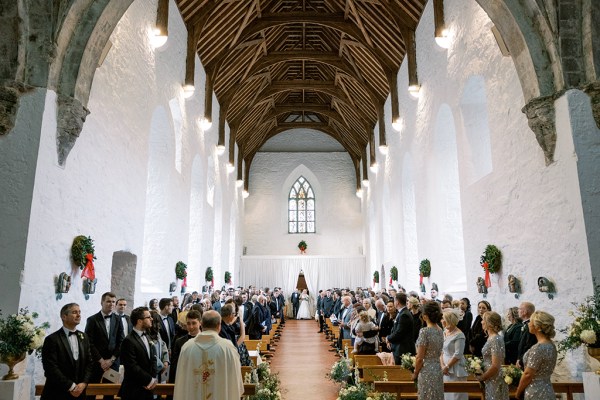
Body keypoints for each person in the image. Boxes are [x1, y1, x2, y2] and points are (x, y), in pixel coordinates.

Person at [173, 310, 244, 400]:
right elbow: (236, 383)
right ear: (219, 326)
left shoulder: (187, 347)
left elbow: (180, 381)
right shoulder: (228, 348)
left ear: (201, 325)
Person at [41, 303, 93, 399]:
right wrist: (71, 386)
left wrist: (84, 383)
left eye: (79, 312)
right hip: (58, 392)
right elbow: (50, 368)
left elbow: (89, 363)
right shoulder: (52, 339)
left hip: (80, 392)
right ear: (64, 316)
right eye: (74, 312)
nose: (78, 315)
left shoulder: (84, 337)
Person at [85, 292, 124, 400]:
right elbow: (89, 343)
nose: (111, 304)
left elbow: (121, 341)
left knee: (109, 392)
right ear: (101, 302)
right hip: (96, 362)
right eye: (108, 301)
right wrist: (101, 361)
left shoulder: (118, 319)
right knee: (91, 391)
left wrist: (111, 360)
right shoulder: (92, 320)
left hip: (113, 362)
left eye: (113, 302)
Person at [515, 311, 557, 400]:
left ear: (538, 327)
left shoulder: (538, 348)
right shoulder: (551, 345)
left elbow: (528, 374)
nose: (529, 324)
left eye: (530, 322)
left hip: (535, 391)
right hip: (548, 388)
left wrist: (518, 392)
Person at [118, 307, 158, 400]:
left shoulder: (148, 336)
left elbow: (154, 359)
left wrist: (153, 379)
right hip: (134, 390)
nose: (151, 319)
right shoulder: (128, 340)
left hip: (148, 389)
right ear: (140, 321)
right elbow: (132, 366)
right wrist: (149, 380)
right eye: (148, 317)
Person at [412, 301, 444, 400]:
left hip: (426, 370)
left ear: (425, 316)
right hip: (438, 368)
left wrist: (415, 373)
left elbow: (420, 358)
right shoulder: (440, 330)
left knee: (426, 396)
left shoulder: (424, 331)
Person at [477, 311, 509, 400]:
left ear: (489, 323)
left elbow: (495, 365)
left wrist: (483, 377)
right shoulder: (492, 338)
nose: (481, 322)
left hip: (494, 378)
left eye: (483, 320)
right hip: (490, 377)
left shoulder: (495, 339)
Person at [440, 308, 468, 400]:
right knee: (446, 394)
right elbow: (441, 351)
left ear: (449, 320)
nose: (441, 321)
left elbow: (458, 354)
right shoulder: (445, 332)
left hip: (456, 369)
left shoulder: (459, 335)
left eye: (443, 318)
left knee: (456, 395)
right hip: (444, 369)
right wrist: (442, 365)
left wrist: (447, 366)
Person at [169, 310, 201, 384]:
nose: (191, 326)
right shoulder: (179, 342)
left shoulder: (206, 340)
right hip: (185, 379)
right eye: (188, 323)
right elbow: (174, 365)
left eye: (194, 323)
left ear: (200, 323)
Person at [386, 292, 416, 365]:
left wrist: (388, 338)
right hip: (399, 348)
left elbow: (399, 332)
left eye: (394, 301)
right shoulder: (401, 313)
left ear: (397, 302)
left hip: (403, 349)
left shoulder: (404, 315)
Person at [516, 302, 537, 369]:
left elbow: (529, 345)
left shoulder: (530, 326)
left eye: (519, 309)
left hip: (526, 361)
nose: (517, 310)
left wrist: (520, 360)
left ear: (524, 312)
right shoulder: (525, 325)